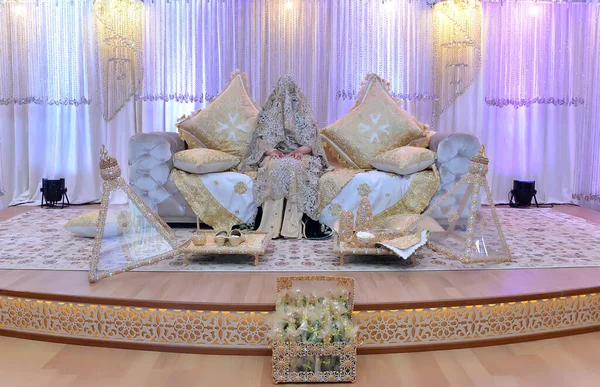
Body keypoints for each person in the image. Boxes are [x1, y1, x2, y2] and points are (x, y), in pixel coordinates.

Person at [240, 75, 329, 239]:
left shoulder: (304, 113)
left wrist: (301, 151)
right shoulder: (267, 114)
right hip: (276, 154)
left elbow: (312, 141)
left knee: (295, 167)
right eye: (282, 92)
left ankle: (293, 227)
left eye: (290, 93)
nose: (286, 97)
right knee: (274, 167)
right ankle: (270, 226)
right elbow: (261, 140)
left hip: (301, 155)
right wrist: (270, 151)